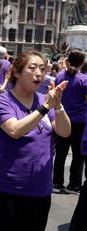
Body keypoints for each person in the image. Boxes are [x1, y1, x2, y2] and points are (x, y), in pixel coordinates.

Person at [0, 50, 71, 231]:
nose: (39, 73)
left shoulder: (44, 101)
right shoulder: (3, 102)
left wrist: (59, 106)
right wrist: (46, 106)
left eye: (43, 68)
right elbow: (14, 130)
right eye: (32, 68)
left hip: (40, 187)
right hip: (11, 186)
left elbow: (65, 133)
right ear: (16, 72)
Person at [53, 49, 87, 194]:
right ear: (82, 62)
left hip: (62, 118)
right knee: (78, 155)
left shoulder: (59, 76)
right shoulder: (84, 79)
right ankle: (74, 184)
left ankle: (57, 182)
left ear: (68, 60)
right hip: (79, 120)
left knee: (60, 152)